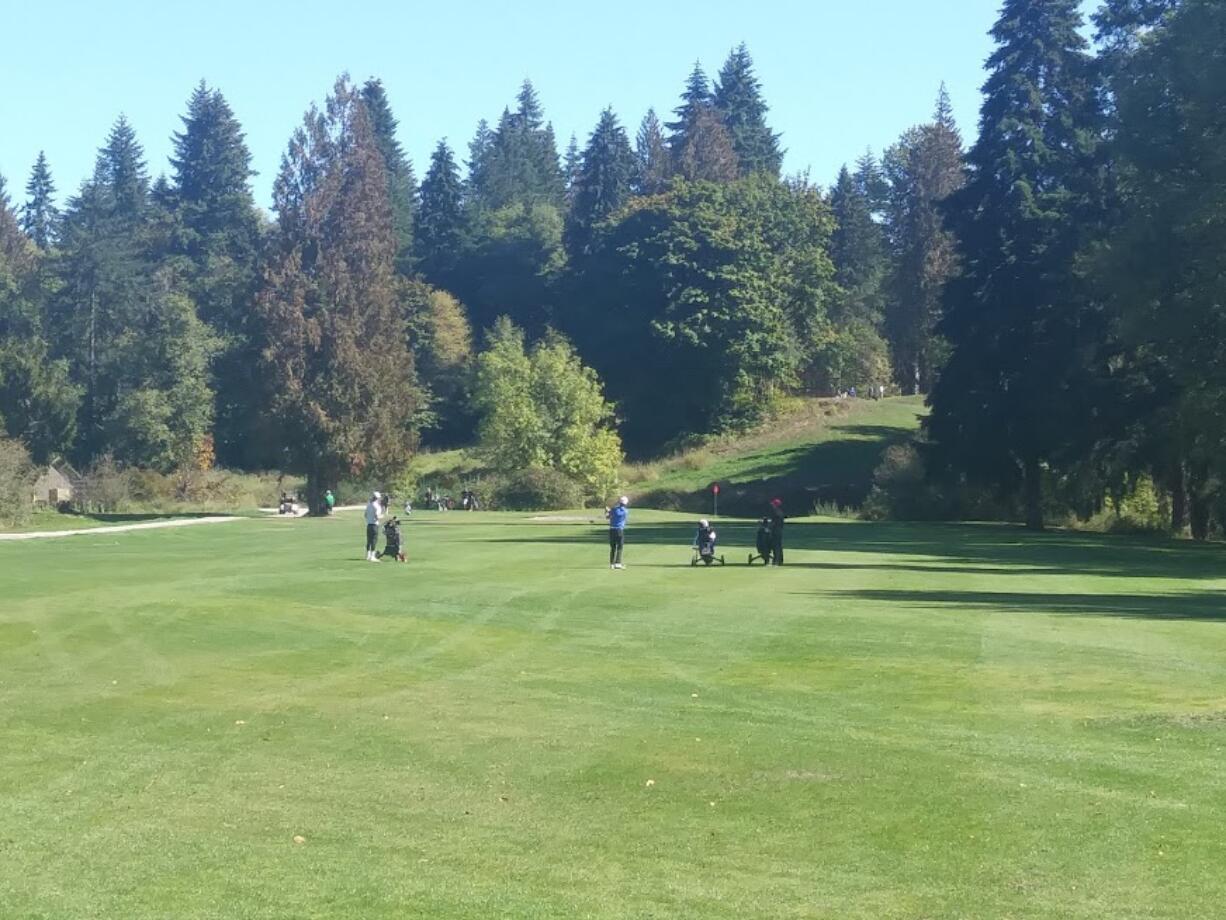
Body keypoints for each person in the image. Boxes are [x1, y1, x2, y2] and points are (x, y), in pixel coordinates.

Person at [605, 496, 629, 569]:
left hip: (611, 530)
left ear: (619, 502)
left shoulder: (613, 509)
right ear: (625, 504)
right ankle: (618, 563)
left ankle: (612, 564)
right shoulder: (625, 511)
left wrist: (607, 511)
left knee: (613, 547)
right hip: (619, 530)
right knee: (620, 547)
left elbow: (607, 517)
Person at [364, 492, 382, 563]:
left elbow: (365, 515)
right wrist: (382, 516)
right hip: (374, 525)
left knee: (369, 540)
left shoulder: (368, 505)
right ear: (377, 498)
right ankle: (372, 556)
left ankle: (368, 556)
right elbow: (377, 516)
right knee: (374, 540)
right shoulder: (377, 506)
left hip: (369, 525)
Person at [769, 498, 785, 566]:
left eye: (773, 504)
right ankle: (780, 560)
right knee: (779, 545)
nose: (772, 506)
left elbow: (774, 523)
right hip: (779, 531)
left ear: (776, 505)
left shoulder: (776, 512)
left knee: (776, 546)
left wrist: (769, 527)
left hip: (776, 531)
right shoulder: (780, 512)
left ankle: (776, 560)